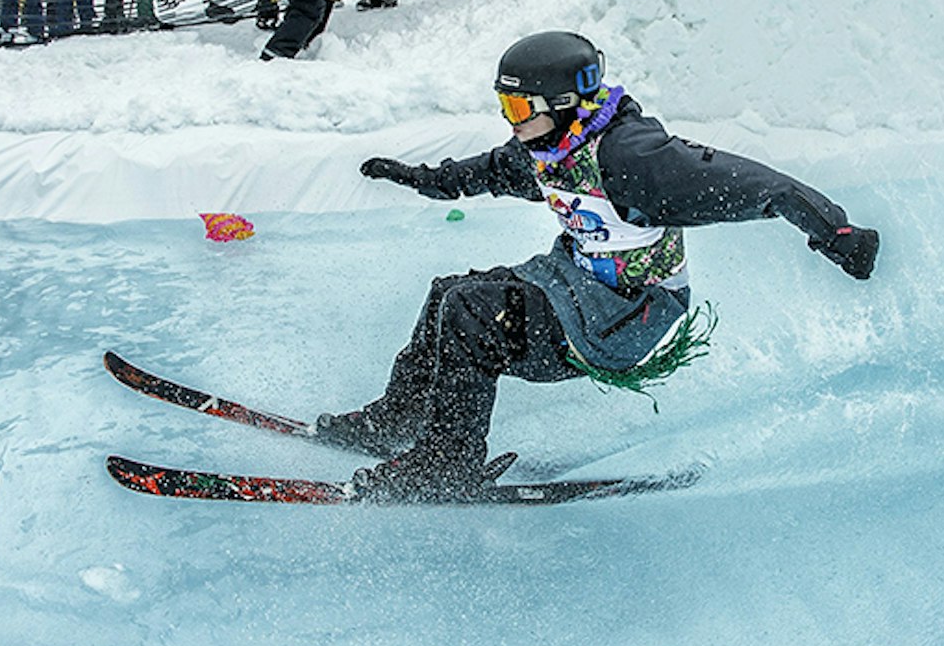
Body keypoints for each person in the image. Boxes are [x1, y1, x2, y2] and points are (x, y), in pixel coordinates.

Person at [322, 31, 881, 499]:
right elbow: (486, 171)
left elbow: (760, 185)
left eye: (519, 109)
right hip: (575, 285)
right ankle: (398, 419)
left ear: (564, 105)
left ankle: (448, 461)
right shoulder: (548, 146)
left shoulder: (634, 159)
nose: (510, 120)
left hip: (627, 314)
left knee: (472, 315)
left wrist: (837, 234)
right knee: (448, 293)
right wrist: (417, 177)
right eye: (505, 106)